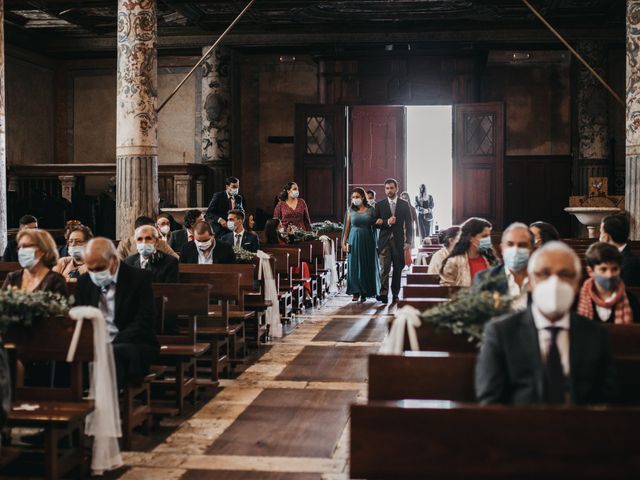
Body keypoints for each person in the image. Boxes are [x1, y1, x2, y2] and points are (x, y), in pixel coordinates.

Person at [475, 241, 618, 405]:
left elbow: (608, 400)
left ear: (577, 284)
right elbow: (490, 401)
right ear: (530, 282)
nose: (554, 283)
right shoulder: (501, 332)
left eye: (565, 274)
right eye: (544, 274)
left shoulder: (595, 334)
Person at [75, 238, 159, 389]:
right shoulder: (85, 282)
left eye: (100, 268)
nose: (95, 273)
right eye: (90, 269)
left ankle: (113, 404)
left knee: (114, 353)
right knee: (66, 355)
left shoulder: (139, 278)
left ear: (113, 260)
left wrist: (110, 341)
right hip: (95, 341)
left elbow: (144, 320)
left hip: (132, 342)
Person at [473, 223, 534, 311]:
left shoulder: (542, 280)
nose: (515, 250)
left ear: (532, 250)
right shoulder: (484, 279)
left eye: (522, 245)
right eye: (510, 244)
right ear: (502, 248)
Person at [374, 178, 413, 303]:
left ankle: (395, 294)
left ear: (396, 188)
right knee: (384, 268)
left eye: (391, 188)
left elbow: (409, 223)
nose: (389, 190)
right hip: (384, 241)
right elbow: (375, 223)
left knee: (398, 267)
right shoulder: (380, 205)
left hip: (399, 241)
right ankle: (384, 294)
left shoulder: (404, 204)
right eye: (387, 188)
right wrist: (386, 222)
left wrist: (409, 242)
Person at [577, 242, 636, 324]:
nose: (609, 275)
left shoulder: (631, 300)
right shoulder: (577, 300)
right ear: (591, 271)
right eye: (603, 269)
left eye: (614, 269)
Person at [2, 229, 67, 296]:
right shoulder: (13, 277)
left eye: (26, 246)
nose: (21, 250)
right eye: (19, 247)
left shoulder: (56, 280)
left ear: (43, 249)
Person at [342, 187, 380, 302]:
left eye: (357, 197)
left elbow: (376, 224)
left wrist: (378, 222)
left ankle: (365, 291)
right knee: (354, 265)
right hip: (353, 239)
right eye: (353, 197)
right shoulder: (350, 210)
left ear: (363, 197)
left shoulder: (371, 210)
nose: (355, 199)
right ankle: (355, 292)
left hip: (368, 239)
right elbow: (347, 228)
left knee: (366, 265)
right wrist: (344, 242)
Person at [440, 217, 494, 287]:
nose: (488, 240)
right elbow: (446, 288)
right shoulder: (454, 262)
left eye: (489, 236)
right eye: (484, 236)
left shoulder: (490, 260)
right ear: (471, 238)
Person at [600, 212, 640, 287]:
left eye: (601, 233)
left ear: (606, 237)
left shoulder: (627, 264)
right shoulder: (632, 259)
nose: (600, 237)